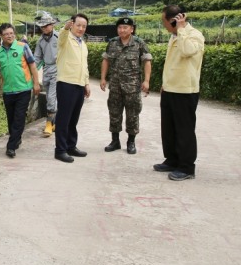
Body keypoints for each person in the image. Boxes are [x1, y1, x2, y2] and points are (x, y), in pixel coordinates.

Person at [154, 6, 204, 181]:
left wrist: (181, 30)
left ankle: (187, 167)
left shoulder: (194, 35)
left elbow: (187, 51)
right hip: (170, 89)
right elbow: (172, 63)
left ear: (174, 20)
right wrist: (164, 84)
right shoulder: (174, 36)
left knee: (184, 130)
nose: (164, 25)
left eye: (165, 21)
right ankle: (172, 159)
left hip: (185, 91)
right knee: (168, 129)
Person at [0, 23, 41, 158]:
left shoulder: (23, 47)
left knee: (19, 117)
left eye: (11, 33)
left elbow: (32, 65)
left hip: (24, 89)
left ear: (14, 33)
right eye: (6, 34)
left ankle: (10, 146)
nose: (9, 36)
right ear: (1, 36)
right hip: (8, 91)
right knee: (11, 119)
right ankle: (16, 138)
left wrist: (36, 83)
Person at [100, 17, 152, 154]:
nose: (122, 30)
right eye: (119, 27)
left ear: (132, 29)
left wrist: (146, 81)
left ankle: (131, 142)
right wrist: (103, 78)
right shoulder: (112, 43)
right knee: (114, 113)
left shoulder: (139, 43)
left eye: (125, 27)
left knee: (133, 115)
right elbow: (106, 60)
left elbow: (147, 61)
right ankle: (115, 141)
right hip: (115, 86)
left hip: (132, 87)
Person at [54, 14, 91, 163]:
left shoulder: (83, 44)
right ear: (72, 24)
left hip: (79, 85)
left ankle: (71, 146)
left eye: (84, 26)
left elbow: (84, 66)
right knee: (63, 119)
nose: (81, 28)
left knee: (73, 119)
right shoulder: (65, 39)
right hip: (66, 83)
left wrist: (86, 83)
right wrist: (65, 28)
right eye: (78, 25)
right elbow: (62, 36)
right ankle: (60, 150)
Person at [33, 13, 59, 137]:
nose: (44, 28)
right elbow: (37, 58)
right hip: (47, 69)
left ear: (52, 25)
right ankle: (54, 122)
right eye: (42, 26)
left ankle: (48, 124)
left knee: (52, 98)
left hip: (58, 69)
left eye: (46, 26)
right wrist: (30, 72)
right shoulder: (40, 41)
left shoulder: (60, 37)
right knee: (50, 96)